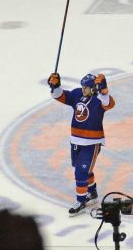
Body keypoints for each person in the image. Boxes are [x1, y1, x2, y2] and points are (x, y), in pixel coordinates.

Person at [47, 72, 114, 216]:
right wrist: (55, 86)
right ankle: (92, 192)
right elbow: (60, 96)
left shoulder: (99, 100)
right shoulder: (77, 94)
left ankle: (81, 201)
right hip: (76, 140)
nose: (83, 89)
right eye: (82, 87)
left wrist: (104, 89)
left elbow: (109, 104)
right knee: (83, 169)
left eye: (86, 87)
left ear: (94, 88)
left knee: (80, 172)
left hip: (92, 143)